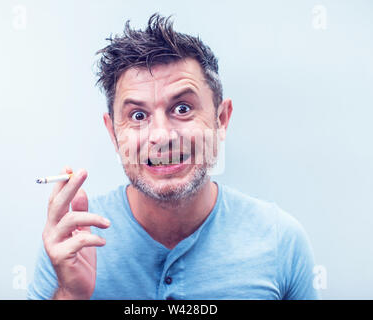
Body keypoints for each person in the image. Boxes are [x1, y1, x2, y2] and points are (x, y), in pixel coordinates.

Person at [27, 13, 320, 300]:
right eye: (138, 115)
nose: (162, 135)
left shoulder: (281, 241)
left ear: (221, 120)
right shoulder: (74, 241)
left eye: (182, 109)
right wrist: (71, 294)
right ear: (113, 133)